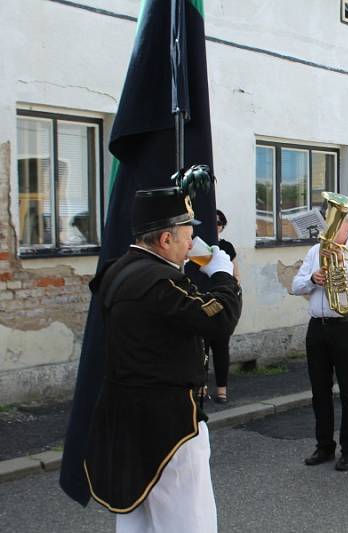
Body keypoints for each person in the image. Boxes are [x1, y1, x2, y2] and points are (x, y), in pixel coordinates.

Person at [83, 187, 242, 532]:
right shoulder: (161, 280)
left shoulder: (117, 269)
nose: (192, 244)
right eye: (188, 235)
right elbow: (219, 320)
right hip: (168, 422)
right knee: (188, 521)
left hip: (123, 417)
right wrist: (223, 275)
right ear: (166, 238)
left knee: (136, 521)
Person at [291, 215, 348, 471]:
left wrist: (343, 263)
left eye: (338, 224)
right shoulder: (315, 251)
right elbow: (295, 286)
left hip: (346, 326)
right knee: (320, 392)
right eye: (329, 224)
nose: (332, 230)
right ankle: (324, 446)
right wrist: (312, 280)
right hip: (317, 327)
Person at [209, 209, 239, 404]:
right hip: (202, 297)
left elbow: (236, 276)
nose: (217, 226)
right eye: (214, 222)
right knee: (199, 346)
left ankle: (221, 389)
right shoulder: (197, 245)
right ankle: (201, 387)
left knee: (220, 345)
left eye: (220, 223)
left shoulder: (227, 247)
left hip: (221, 300)